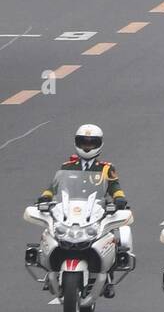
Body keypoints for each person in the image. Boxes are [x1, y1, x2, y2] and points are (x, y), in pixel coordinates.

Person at [37, 124, 132, 295]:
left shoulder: (106, 168)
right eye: (83, 142)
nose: (87, 146)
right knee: (51, 232)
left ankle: (108, 277)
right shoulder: (67, 166)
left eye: (91, 143)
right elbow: (53, 186)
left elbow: (114, 187)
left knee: (114, 236)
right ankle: (49, 270)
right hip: (70, 209)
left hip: (96, 210)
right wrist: (45, 197)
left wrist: (119, 199)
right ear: (77, 143)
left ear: (98, 144)